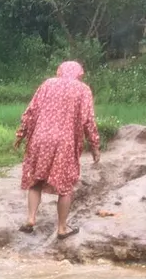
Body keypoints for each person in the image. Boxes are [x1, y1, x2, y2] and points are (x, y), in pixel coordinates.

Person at [12, 60, 101, 239]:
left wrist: (20, 135)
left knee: (36, 181)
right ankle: (62, 228)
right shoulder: (83, 89)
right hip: (64, 143)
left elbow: (31, 112)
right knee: (65, 187)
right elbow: (88, 121)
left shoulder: (47, 84)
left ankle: (30, 218)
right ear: (79, 73)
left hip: (40, 139)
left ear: (59, 71)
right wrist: (95, 146)